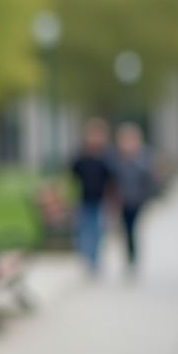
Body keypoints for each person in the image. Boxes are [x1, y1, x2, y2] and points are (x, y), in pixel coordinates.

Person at [108, 122, 155, 274]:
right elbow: (111, 178)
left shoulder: (143, 156)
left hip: (137, 200)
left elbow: (149, 179)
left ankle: (132, 256)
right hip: (121, 200)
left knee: (133, 228)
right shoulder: (115, 157)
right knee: (125, 230)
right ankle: (129, 256)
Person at [71, 118, 115, 275]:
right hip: (83, 199)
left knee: (98, 230)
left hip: (100, 200)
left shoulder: (106, 157)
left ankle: (95, 259)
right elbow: (72, 177)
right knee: (83, 230)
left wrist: (113, 202)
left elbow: (112, 181)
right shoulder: (81, 156)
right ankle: (87, 258)